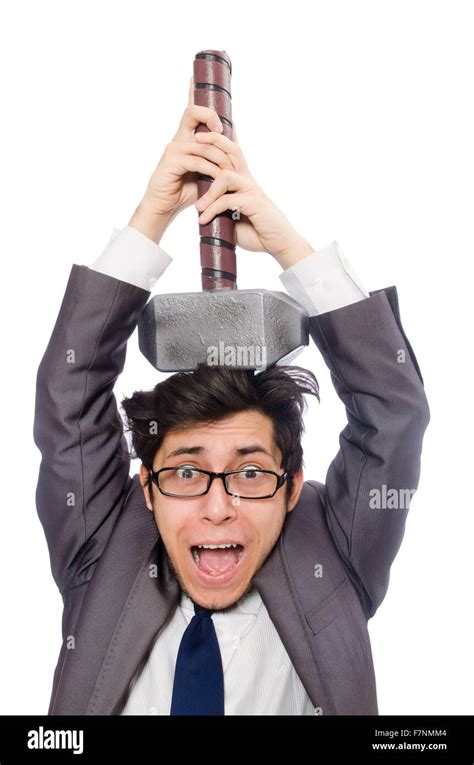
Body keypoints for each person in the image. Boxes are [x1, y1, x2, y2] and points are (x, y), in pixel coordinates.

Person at [33, 81, 430, 716]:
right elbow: (68, 393)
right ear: (147, 486)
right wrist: (153, 213)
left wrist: (284, 241)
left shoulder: (335, 548)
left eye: (250, 472)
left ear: (293, 486)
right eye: (187, 471)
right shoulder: (102, 547)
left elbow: (394, 410)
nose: (218, 508)